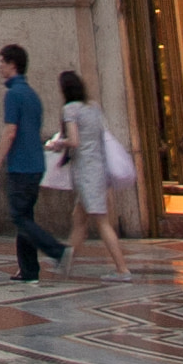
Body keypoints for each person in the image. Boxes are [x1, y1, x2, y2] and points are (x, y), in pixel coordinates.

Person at [0, 43, 70, 282]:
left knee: (19, 217)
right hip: (35, 163)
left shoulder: (13, 95)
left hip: (22, 165)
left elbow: (10, 132)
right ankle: (28, 269)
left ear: (12, 65)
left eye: (2, 62)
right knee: (24, 216)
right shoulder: (31, 95)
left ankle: (58, 251)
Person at [54, 69, 131, 275]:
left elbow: (74, 141)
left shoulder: (70, 110)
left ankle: (122, 269)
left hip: (86, 172)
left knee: (102, 222)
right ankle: (65, 264)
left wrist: (57, 144)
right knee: (78, 219)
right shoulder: (93, 107)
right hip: (99, 168)